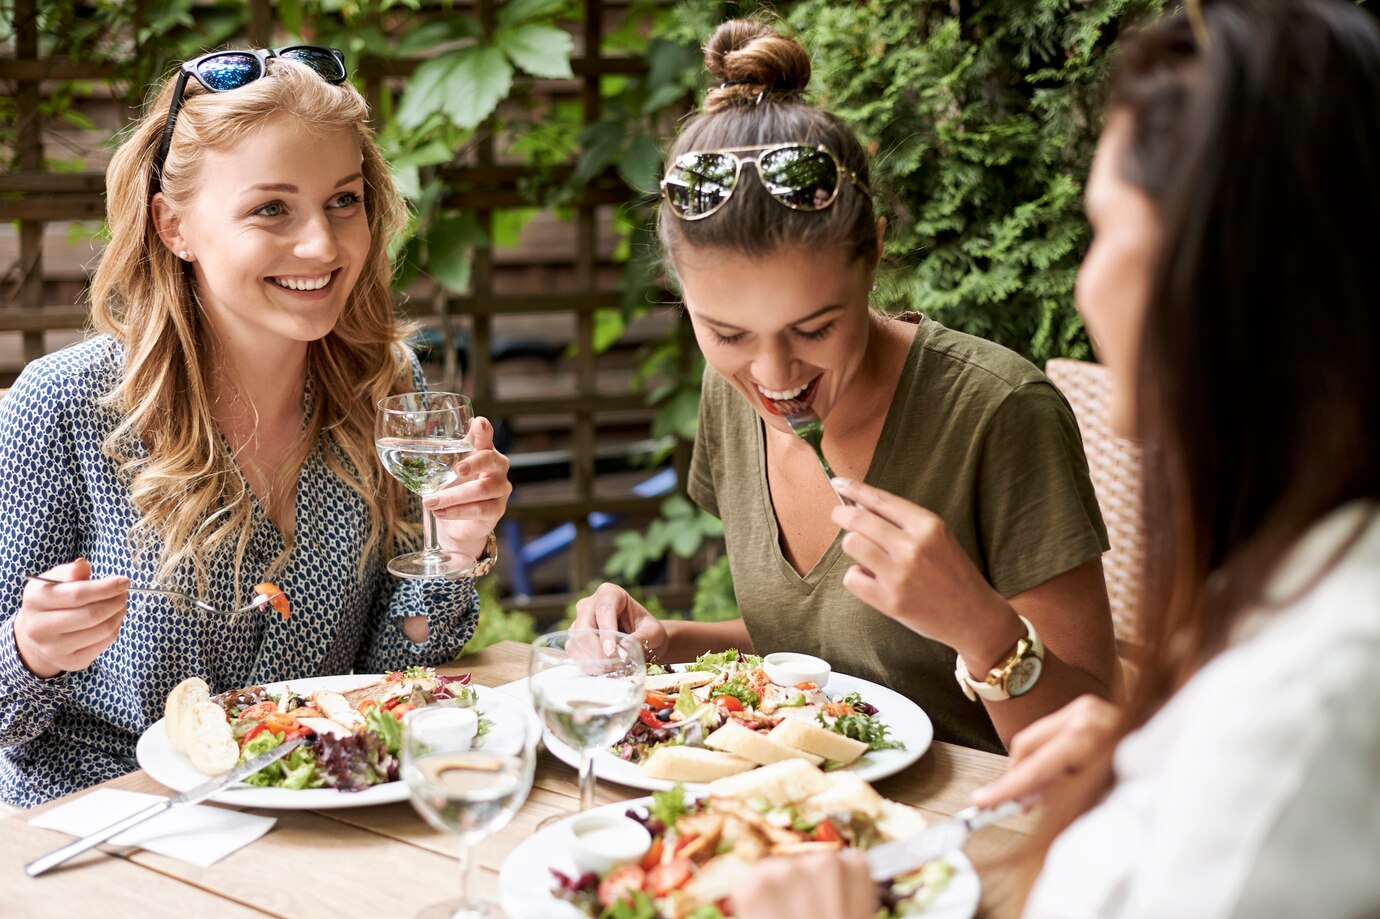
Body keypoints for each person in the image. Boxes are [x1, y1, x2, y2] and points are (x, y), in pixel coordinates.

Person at [731, 1, 1380, 915]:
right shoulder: (1295, 597)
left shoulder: (1303, 710)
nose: (1084, 282)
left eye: (1106, 227)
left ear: (1228, 274)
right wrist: (1144, 764)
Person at [575, 20, 1120, 752]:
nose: (774, 376)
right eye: (729, 335)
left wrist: (981, 627)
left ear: (874, 255)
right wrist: (667, 642)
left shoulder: (999, 412)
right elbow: (822, 649)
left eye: (815, 327)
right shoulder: (728, 395)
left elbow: (1102, 742)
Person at [0, 47, 512, 807]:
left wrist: (455, 551)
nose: (323, 245)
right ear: (173, 225)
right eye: (272, 208)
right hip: (110, 821)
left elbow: (387, 677)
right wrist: (30, 651)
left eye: (343, 200)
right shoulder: (65, 405)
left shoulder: (384, 391)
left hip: (309, 813)